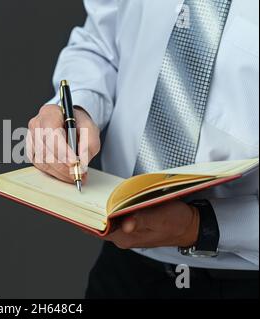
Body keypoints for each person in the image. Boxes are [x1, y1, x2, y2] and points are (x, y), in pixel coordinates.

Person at [26, 0, 259, 298]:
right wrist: (79, 106)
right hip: (124, 267)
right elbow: (101, 42)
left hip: (242, 278)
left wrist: (198, 226)